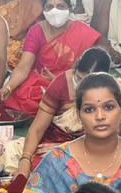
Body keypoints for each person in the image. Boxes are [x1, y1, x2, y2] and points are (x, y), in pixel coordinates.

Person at [0, 0, 101, 114]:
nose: (54, 11)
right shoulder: (36, 31)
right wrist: (8, 88)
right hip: (40, 82)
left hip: (71, 83)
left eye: (60, 6)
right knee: (21, 94)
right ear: (43, 10)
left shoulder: (83, 32)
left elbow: (89, 70)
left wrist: (60, 81)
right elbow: (24, 67)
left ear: (69, 8)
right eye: (49, 7)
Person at [13, 47, 113, 178]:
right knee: (35, 162)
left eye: (88, 83)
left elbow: (108, 142)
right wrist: (25, 162)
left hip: (91, 150)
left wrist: (67, 148)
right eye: (78, 78)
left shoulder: (111, 92)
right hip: (52, 143)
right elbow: (37, 129)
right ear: (76, 67)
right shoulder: (60, 85)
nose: (81, 85)